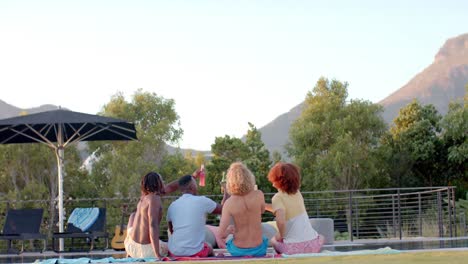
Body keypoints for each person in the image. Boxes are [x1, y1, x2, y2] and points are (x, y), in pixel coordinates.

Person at [124, 171, 198, 259]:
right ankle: (153, 251)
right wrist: (157, 254)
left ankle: (129, 254)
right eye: (162, 180)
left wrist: (192, 177)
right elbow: (153, 226)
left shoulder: (144, 197)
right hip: (146, 251)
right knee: (175, 248)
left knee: (133, 215)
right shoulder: (154, 199)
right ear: (157, 183)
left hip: (130, 245)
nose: (164, 182)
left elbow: (171, 187)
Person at [266, 162, 324, 254]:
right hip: (313, 245)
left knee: (273, 240)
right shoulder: (297, 193)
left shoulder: (278, 197)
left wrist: (281, 235)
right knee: (321, 237)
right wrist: (265, 206)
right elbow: (282, 210)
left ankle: (283, 254)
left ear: (278, 180)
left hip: (292, 248)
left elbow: (280, 221)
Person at [166, 175, 229, 257]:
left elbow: (171, 231)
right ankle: (215, 259)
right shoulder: (202, 201)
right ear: (192, 186)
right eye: (195, 184)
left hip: (174, 252)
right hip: (195, 252)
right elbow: (225, 210)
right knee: (208, 247)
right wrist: (226, 192)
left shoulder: (172, 205)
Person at [218, 162, 268, 257]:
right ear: (249, 178)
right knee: (264, 238)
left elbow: (221, 234)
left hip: (238, 250)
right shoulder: (259, 194)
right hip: (259, 248)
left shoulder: (229, 203)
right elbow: (262, 211)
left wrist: (228, 231)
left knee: (228, 240)